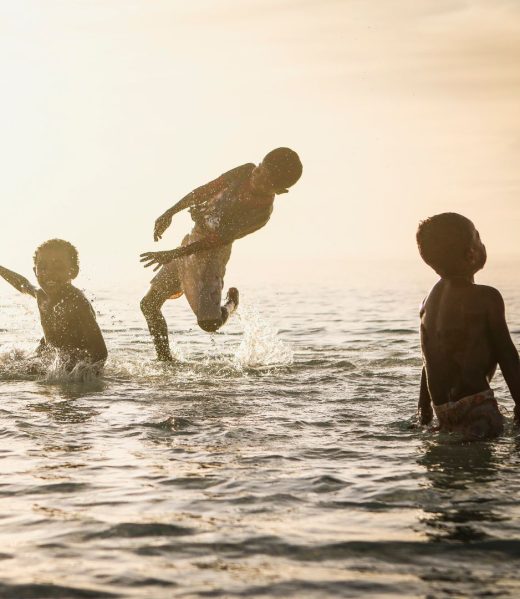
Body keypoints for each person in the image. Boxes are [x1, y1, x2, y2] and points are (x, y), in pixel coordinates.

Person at [140, 147, 303, 361]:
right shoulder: (245, 171)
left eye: (266, 182)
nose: (256, 179)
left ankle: (231, 303)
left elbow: (216, 240)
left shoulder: (260, 214)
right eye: (259, 170)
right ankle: (165, 360)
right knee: (149, 305)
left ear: (280, 191)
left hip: (211, 255)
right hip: (194, 239)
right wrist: (170, 212)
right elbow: (207, 190)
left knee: (209, 324)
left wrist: (174, 253)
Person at [416, 212, 520, 439]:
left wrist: (423, 414)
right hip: (477, 406)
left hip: (442, 410)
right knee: (484, 471)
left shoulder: (428, 303)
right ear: (471, 254)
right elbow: (508, 357)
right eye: (478, 237)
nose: (482, 243)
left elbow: (429, 359)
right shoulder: (487, 297)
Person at [0, 239, 107, 369]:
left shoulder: (78, 303)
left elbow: (100, 352)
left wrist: (78, 377)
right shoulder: (42, 296)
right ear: (35, 271)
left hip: (73, 365)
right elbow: (23, 284)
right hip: (50, 356)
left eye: (58, 267)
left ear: (73, 272)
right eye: (43, 267)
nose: (49, 273)